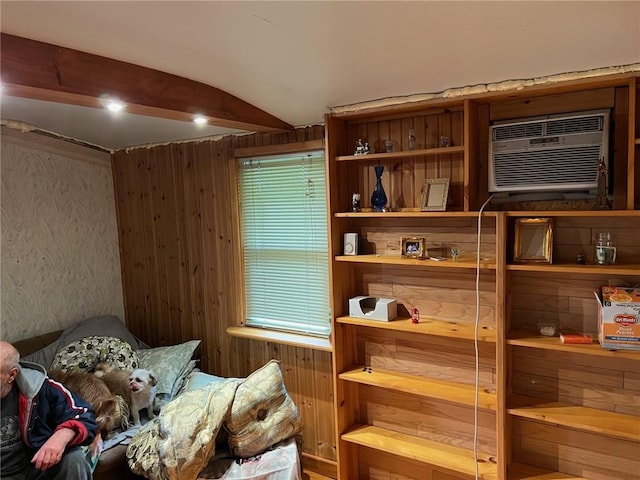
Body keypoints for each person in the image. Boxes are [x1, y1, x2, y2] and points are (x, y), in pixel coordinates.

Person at [0, 340, 97, 480]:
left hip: (36, 466)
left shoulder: (37, 386)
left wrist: (61, 436)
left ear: (12, 375)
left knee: (74, 458)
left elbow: (84, 414)